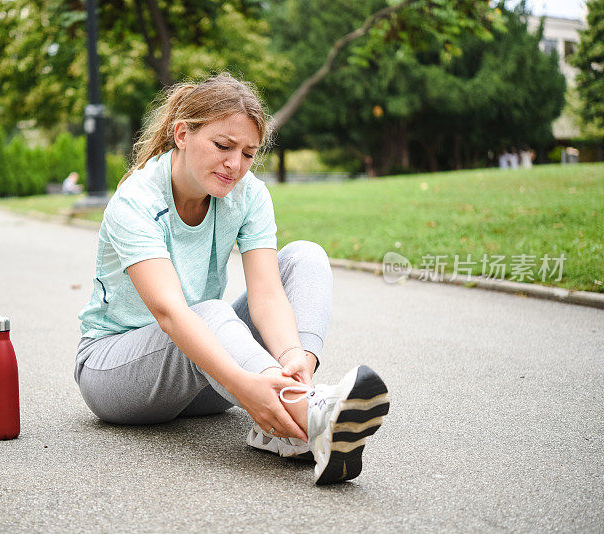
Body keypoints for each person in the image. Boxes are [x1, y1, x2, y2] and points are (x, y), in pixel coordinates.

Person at [74, 73, 389, 485]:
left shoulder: (247, 194)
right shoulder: (136, 201)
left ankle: (294, 409)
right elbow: (171, 313)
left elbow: (268, 296)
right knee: (205, 311)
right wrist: (242, 387)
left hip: (206, 375)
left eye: (247, 153)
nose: (235, 165)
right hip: (116, 375)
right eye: (223, 146)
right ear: (182, 133)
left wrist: (293, 355)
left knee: (304, 257)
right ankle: (310, 416)